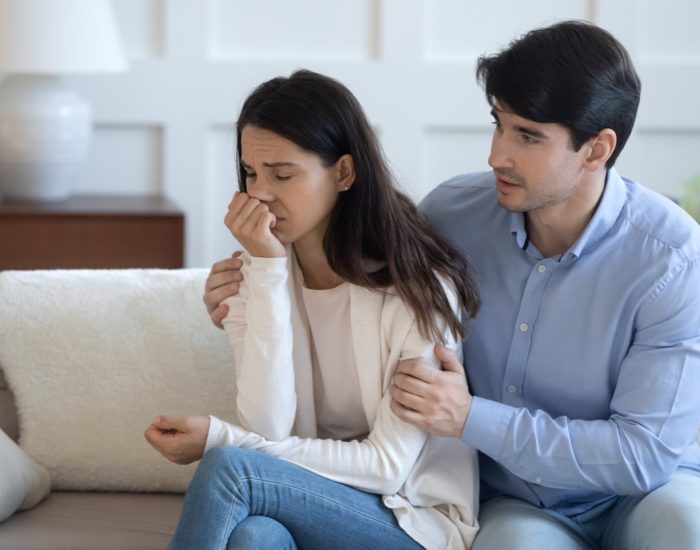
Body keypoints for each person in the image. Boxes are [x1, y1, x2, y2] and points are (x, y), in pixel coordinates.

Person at [204, 21, 700, 550]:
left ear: (597, 150)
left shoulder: (672, 261)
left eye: (527, 136)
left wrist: (469, 417)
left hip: (646, 492)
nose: (496, 155)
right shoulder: (450, 215)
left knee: (684, 529)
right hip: (516, 501)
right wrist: (255, 295)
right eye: (498, 124)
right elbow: (351, 276)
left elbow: (642, 457)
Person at [145, 69, 481, 549]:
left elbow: (388, 468)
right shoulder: (255, 276)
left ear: (343, 173)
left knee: (228, 467)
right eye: (250, 173)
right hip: (306, 500)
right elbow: (268, 425)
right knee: (253, 537)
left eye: (282, 174)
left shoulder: (417, 289)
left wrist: (223, 438)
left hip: (411, 521)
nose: (259, 192)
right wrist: (265, 271)